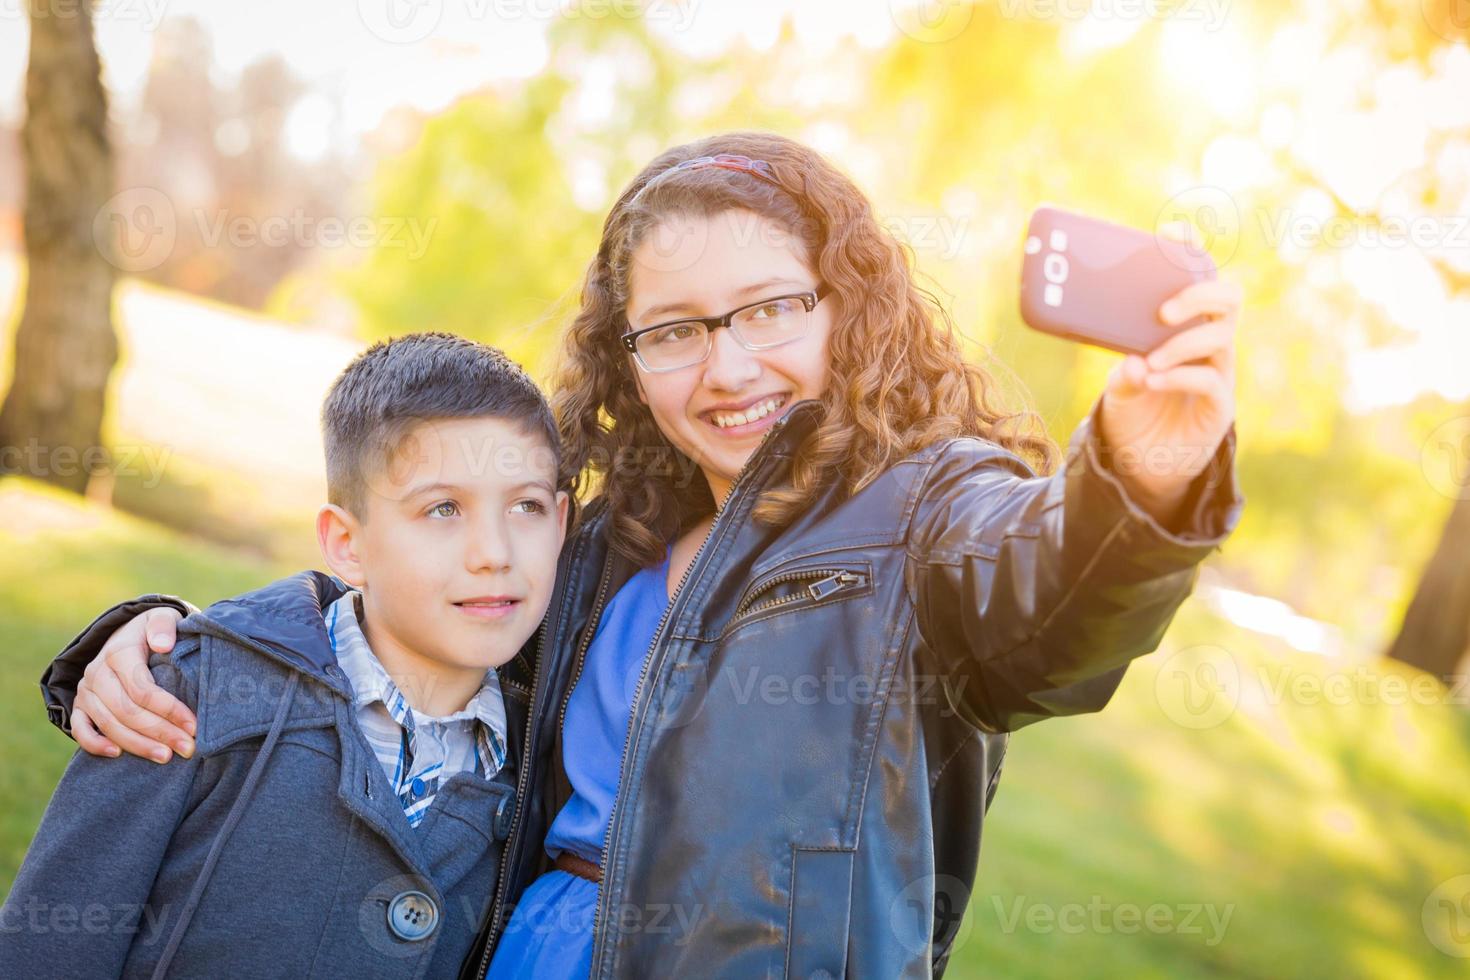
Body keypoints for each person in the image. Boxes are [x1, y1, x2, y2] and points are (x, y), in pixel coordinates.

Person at [35, 132, 1244, 978]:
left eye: (771, 308)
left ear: (850, 305)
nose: (726, 369)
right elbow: (415, 623)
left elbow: (1053, 620)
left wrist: (1138, 477)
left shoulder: (930, 510)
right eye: (675, 331)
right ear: (627, 352)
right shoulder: (606, 536)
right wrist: (170, 643)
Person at [2, 333, 569, 978]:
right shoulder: (178, 700)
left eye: (525, 506)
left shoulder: (546, 762)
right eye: (442, 509)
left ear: (561, 521)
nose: (494, 552)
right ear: (346, 544)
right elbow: (45, 950)